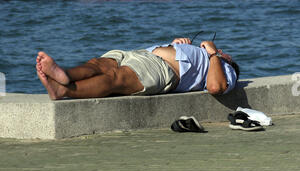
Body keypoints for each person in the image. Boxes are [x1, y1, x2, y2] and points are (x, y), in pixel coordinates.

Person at [36, 37, 239, 100]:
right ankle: (63, 75)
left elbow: (215, 86)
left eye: (226, 54)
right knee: (97, 63)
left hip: (163, 70)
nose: (223, 51)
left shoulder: (224, 67)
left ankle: (63, 89)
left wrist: (214, 54)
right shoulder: (210, 58)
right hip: (141, 54)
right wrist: (176, 44)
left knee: (114, 78)